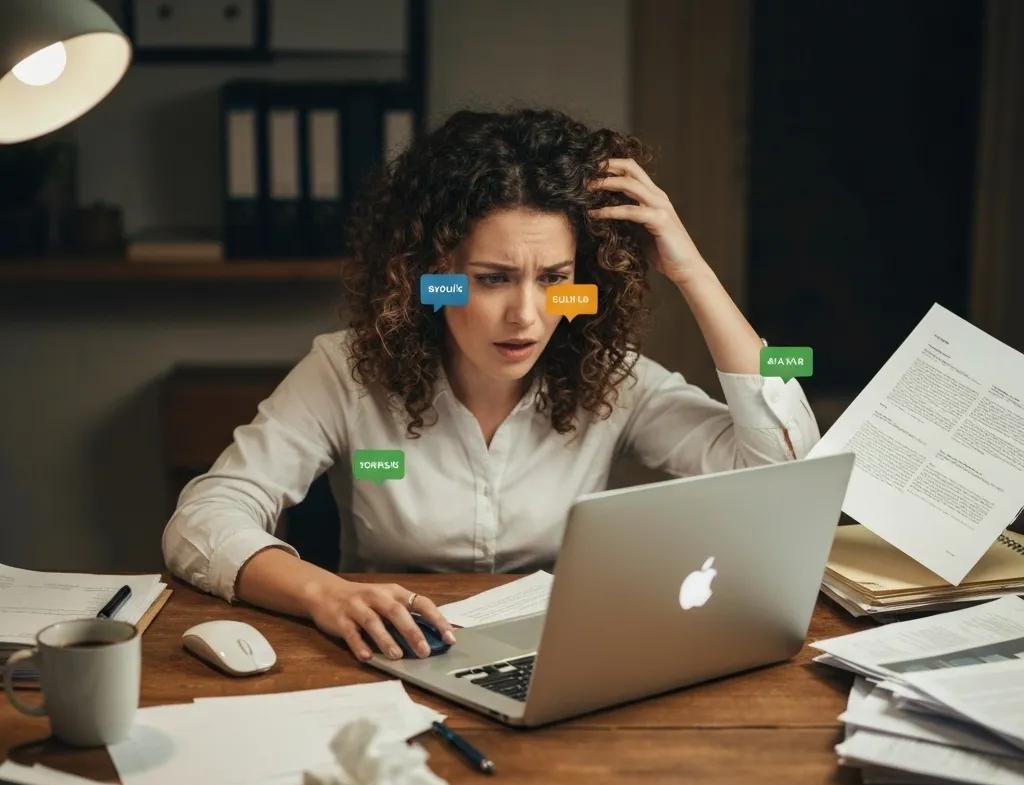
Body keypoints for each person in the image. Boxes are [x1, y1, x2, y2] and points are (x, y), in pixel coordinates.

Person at [163, 108, 819, 665]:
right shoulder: (346, 372)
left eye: (554, 277)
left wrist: (691, 269)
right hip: (389, 656)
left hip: (560, 658)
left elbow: (786, 470)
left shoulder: (611, 379)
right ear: (434, 275)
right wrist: (324, 593)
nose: (528, 316)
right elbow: (202, 520)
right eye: (492, 277)